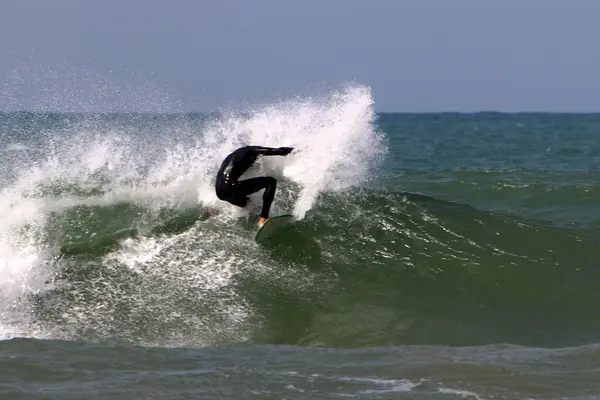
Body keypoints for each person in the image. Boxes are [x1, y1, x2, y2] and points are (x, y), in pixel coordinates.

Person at [215, 145, 294, 227]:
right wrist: (298, 151)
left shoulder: (232, 157)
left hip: (220, 192)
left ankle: (213, 211)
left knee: (248, 203)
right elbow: (280, 151)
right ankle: (263, 218)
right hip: (231, 188)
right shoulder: (252, 151)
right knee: (271, 182)